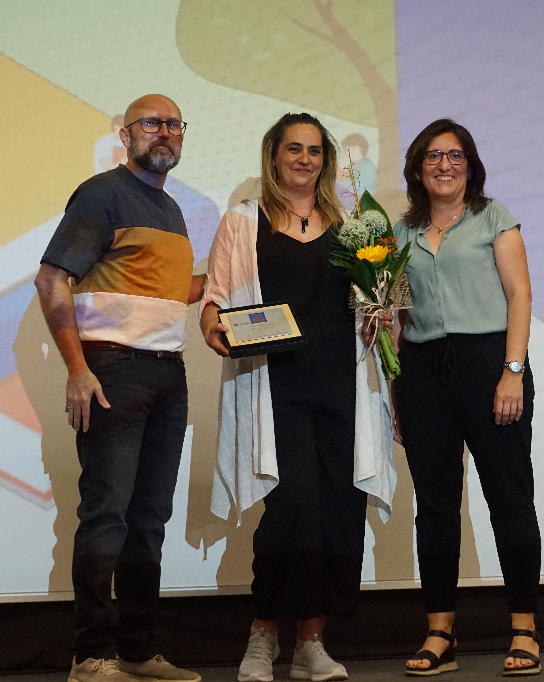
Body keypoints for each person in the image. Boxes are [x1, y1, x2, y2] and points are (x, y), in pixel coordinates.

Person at [200, 113, 395, 682]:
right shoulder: (243, 221)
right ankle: (263, 634)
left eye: (314, 150)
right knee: (291, 511)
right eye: (294, 148)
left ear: (325, 160)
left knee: (339, 513)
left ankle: (312, 641)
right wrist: (212, 324)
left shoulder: (355, 225)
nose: (304, 159)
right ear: (274, 156)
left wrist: (383, 315)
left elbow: (382, 302)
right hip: (275, 388)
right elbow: (215, 296)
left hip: (344, 388)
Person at [34, 94, 205, 682]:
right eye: (152, 124)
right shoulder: (102, 193)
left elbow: (167, 292)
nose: (165, 133)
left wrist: (232, 273)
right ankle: (91, 655)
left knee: (149, 517)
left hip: (168, 372)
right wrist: (77, 368)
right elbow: (52, 278)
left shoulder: (172, 210)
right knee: (107, 512)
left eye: (174, 125)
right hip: (113, 368)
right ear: (126, 134)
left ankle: (135, 650)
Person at [392, 119, 542, 677]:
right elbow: (396, 316)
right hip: (421, 372)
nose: (445, 165)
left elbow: (520, 294)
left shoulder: (493, 217)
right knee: (434, 507)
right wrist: (395, 390)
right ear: (417, 168)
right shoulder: (400, 233)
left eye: (455, 156)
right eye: (433, 156)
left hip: (489, 366)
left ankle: (524, 630)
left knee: (510, 499)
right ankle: (441, 634)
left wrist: (512, 371)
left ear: (471, 166)